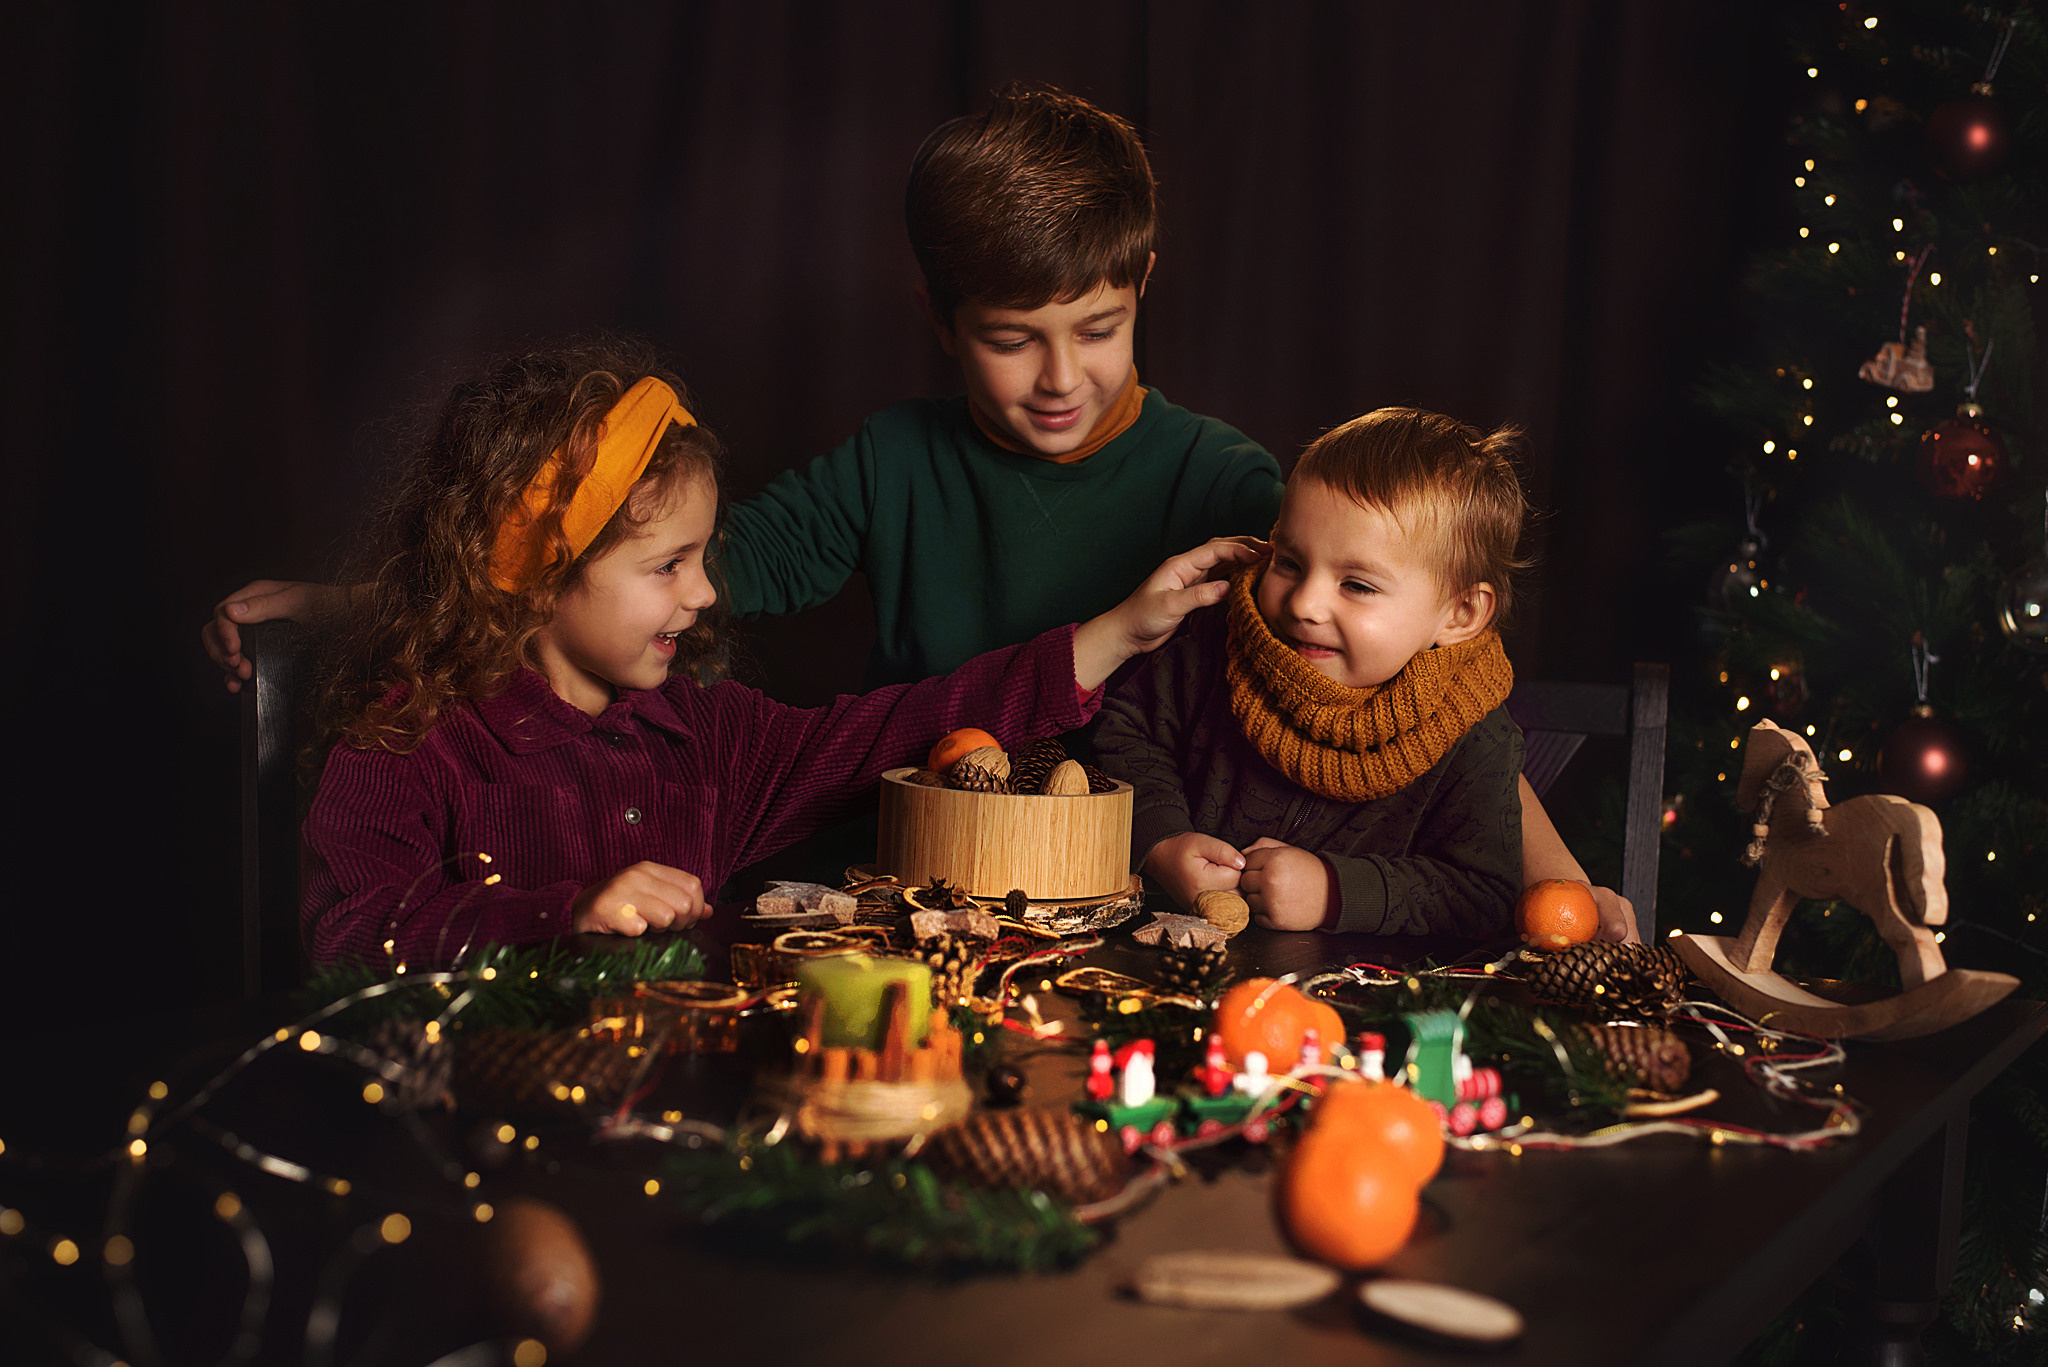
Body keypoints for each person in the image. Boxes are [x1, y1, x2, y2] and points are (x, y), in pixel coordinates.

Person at [205, 85, 1632, 931]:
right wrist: (363, 603)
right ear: (938, 318)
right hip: (918, 885)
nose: (1059, 379)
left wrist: (1556, 882)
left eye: (1095, 327)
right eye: (1014, 338)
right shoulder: (891, 462)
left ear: (1144, 289)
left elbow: (1401, 687)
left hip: (1129, 907)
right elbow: (621, 574)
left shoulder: (1229, 489)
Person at [300, 338, 1255, 969]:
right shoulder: (408, 739)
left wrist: (1119, 632)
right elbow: (343, 937)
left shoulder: (709, 738)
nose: (706, 591)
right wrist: (564, 914)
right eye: (667, 564)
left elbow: (905, 724)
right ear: (542, 574)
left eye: (703, 558)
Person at [1096, 407, 1633, 942]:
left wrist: (1334, 892)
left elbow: (1480, 893)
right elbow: (1122, 735)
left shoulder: (1474, 738)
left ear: (1459, 614)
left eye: (1357, 585)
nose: (1305, 603)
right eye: (1289, 562)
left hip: (1357, 998)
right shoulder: (1216, 652)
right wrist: (1163, 841)